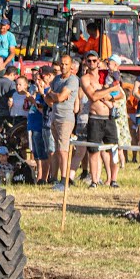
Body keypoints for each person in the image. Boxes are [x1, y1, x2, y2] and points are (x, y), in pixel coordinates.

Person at [81, 52, 122, 188]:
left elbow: (120, 93)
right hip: (95, 118)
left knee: (113, 149)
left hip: (109, 117)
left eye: (94, 60)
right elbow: (92, 96)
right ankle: (94, 180)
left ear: (98, 61)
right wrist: (109, 91)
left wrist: (106, 95)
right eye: (89, 61)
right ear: (86, 62)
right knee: (93, 151)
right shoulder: (85, 79)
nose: (92, 63)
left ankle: (113, 180)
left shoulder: (107, 75)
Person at [45, 55, 79, 191]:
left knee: (63, 150)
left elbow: (60, 97)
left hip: (65, 118)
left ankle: (64, 180)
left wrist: (53, 94)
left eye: (66, 64)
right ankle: (59, 178)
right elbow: (49, 99)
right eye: (62, 64)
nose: (63, 66)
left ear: (71, 66)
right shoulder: (57, 79)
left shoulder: (73, 80)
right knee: (57, 150)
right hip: (55, 116)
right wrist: (53, 95)